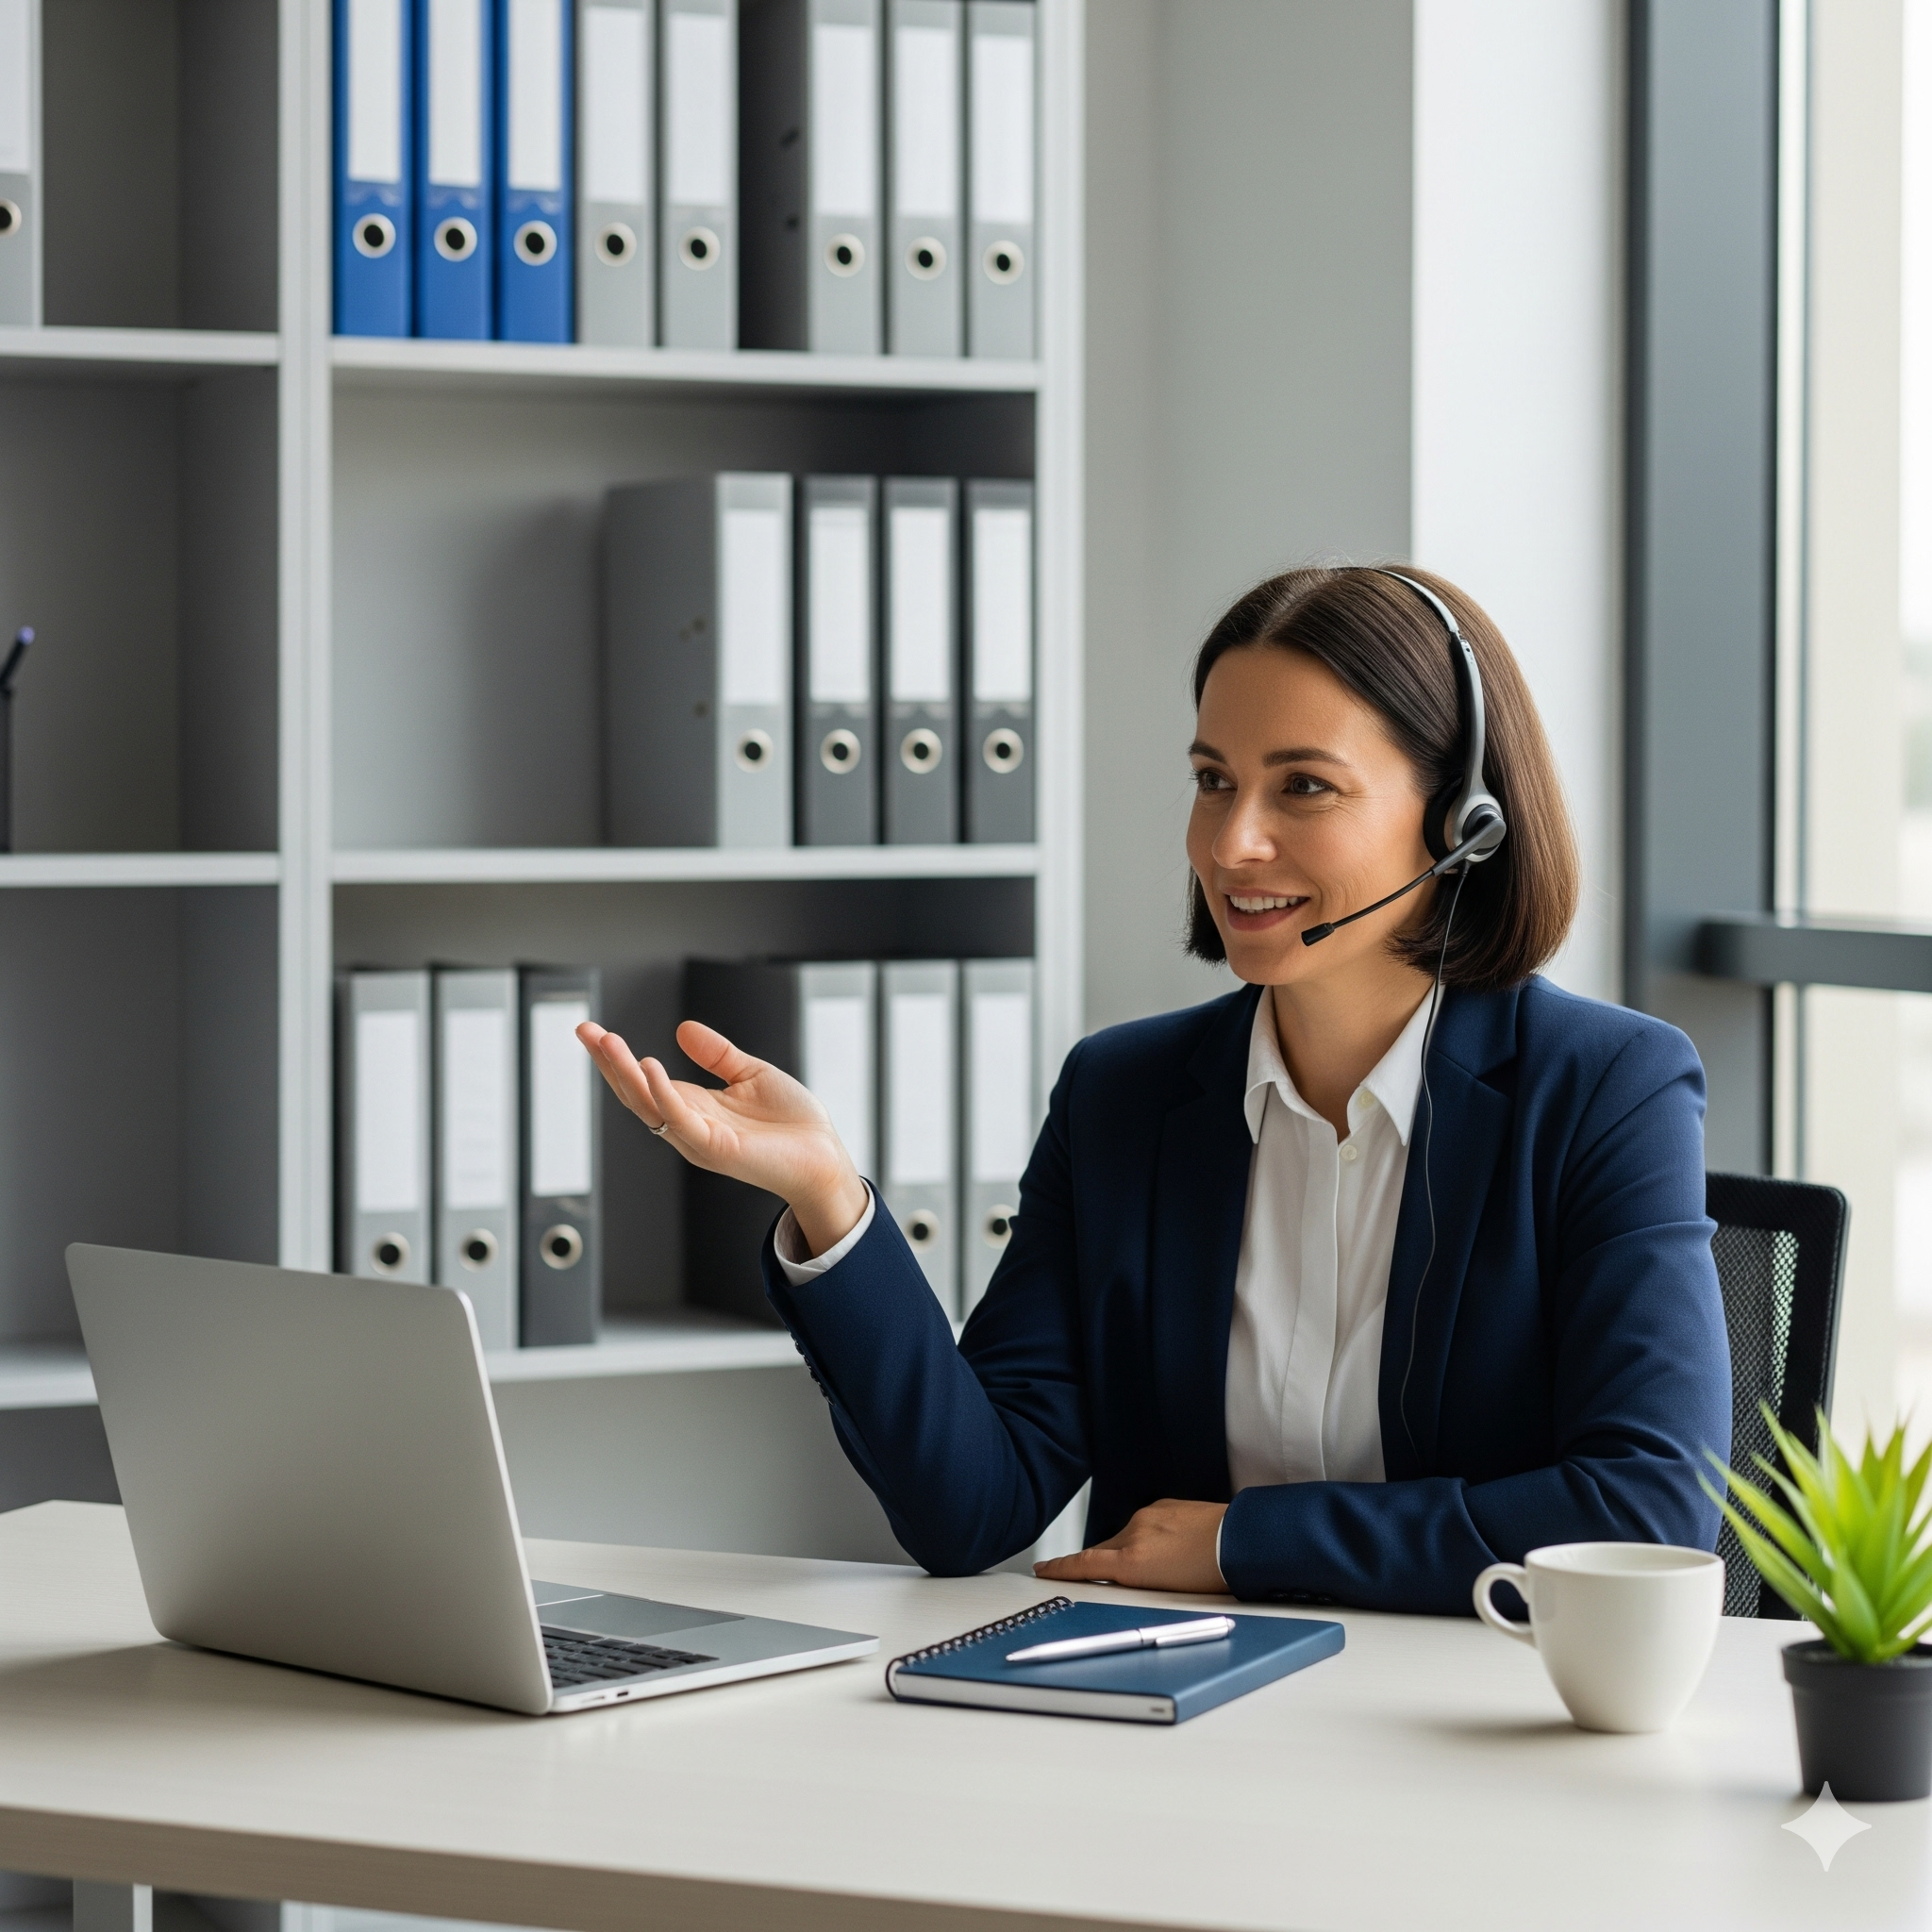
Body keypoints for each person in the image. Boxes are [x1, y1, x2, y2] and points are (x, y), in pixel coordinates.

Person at [576, 565, 1732, 1615]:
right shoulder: (1122, 1095)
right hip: (1173, 1717)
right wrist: (829, 1198)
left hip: (1476, 1730)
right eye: (1212, 779)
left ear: (1458, 821)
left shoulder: (1601, 1088)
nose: (1232, 842)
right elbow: (971, 1505)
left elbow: (1644, 1509)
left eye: (1304, 788)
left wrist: (1243, 1544)